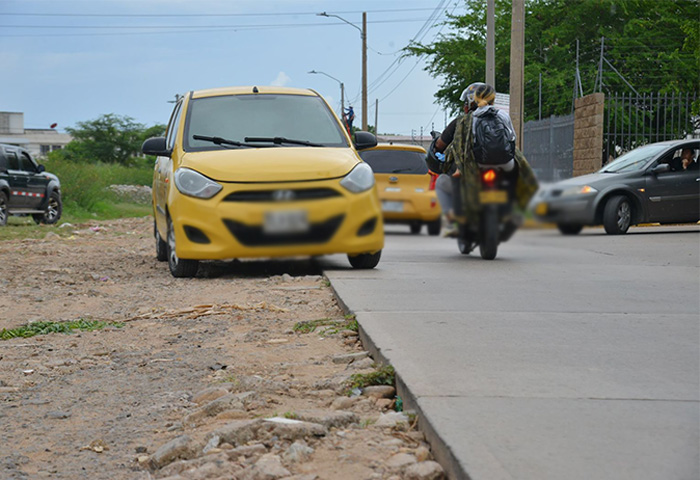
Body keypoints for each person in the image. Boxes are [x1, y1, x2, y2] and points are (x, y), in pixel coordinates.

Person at [430, 82, 539, 238]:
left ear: (470, 101)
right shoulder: (502, 115)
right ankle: (514, 211)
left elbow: (441, 145)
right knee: (515, 179)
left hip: (473, 167)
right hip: (504, 165)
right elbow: (512, 139)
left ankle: (453, 220)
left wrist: (436, 150)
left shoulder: (462, 121)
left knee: (442, 182)